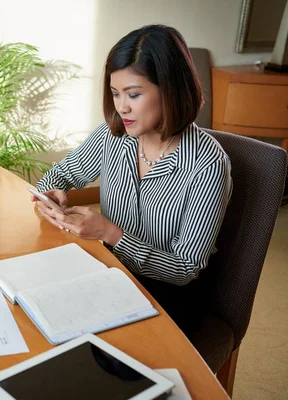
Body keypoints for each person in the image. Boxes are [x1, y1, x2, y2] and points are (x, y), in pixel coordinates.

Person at [32, 25, 232, 332]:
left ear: (171, 89)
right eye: (115, 93)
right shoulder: (115, 135)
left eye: (134, 94)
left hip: (167, 296)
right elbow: (59, 174)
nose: (121, 107)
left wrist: (112, 234)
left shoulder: (206, 163)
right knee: (32, 307)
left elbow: (186, 267)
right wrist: (52, 194)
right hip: (107, 272)